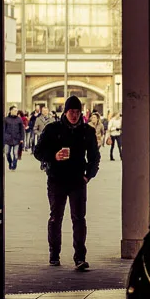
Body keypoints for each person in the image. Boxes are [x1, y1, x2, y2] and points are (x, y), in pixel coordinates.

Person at [34, 94, 100, 270]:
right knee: (56, 218)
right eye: (71, 111)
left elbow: (95, 157)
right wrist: (53, 156)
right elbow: (38, 151)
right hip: (56, 179)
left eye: (77, 111)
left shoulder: (87, 131)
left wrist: (88, 175)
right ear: (65, 112)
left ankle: (80, 257)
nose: (74, 115)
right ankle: (54, 254)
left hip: (78, 180)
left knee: (79, 219)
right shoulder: (52, 129)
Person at [4, 106, 25, 170]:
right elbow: (3, 129)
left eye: (17, 111)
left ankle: (14, 164)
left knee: (15, 153)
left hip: (17, 139)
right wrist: (4, 137)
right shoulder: (6, 119)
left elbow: (22, 130)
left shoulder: (19, 119)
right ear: (11, 111)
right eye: (15, 110)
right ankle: (10, 162)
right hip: (8, 139)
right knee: (7, 153)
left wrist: (22, 139)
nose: (16, 112)